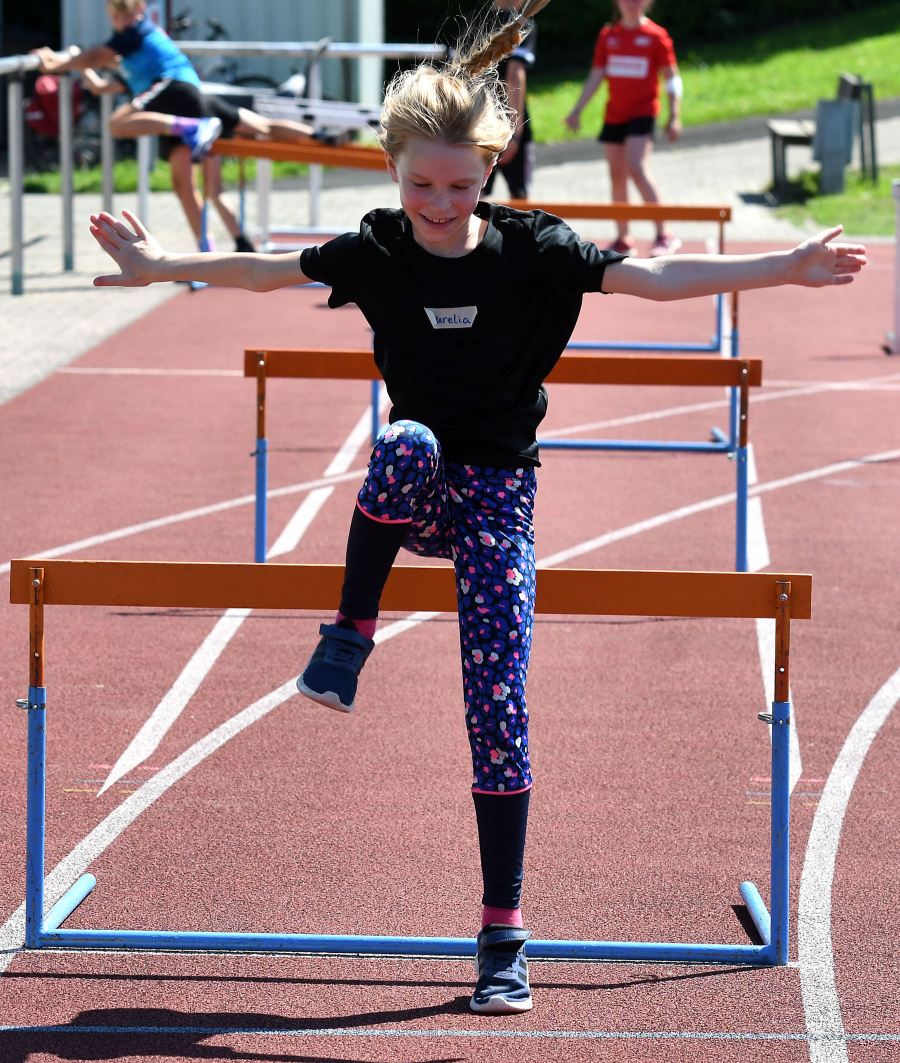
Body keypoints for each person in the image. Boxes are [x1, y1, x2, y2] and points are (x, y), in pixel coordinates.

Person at [87, 0, 866, 1015]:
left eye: (460, 186)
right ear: (393, 170)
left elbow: (659, 275)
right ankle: (350, 633)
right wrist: (156, 266)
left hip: (500, 497)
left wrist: (788, 268)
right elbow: (262, 268)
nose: (440, 205)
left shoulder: (534, 249)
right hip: (410, 492)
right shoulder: (376, 248)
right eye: (420, 185)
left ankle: (503, 934)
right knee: (407, 440)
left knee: (499, 709)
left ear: (491, 172)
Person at [33, 0, 316, 252]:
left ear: (139, 10)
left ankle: (193, 131)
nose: (120, 22)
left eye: (125, 15)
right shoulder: (135, 62)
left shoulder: (135, 35)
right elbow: (99, 85)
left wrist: (55, 62)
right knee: (204, 181)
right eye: (115, 17)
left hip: (179, 100)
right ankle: (319, 137)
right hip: (190, 102)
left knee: (119, 124)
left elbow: (95, 55)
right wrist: (74, 62)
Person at [565, 0, 682, 257]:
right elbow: (597, 75)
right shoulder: (609, 36)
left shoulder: (656, 36)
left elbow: (672, 78)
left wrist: (674, 116)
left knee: (637, 167)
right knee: (617, 173)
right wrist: (577, 110)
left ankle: (665, 233)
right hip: (615, 115)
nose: (632, 3)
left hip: (643, 112)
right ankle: (623, 239)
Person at [481, 0, 537, 201]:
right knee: (519, 195)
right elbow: (514, 75)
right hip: (507, 117)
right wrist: (515, 133)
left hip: (475, 117)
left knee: (471, 190)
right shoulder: (522, 23)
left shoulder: (472, 19)